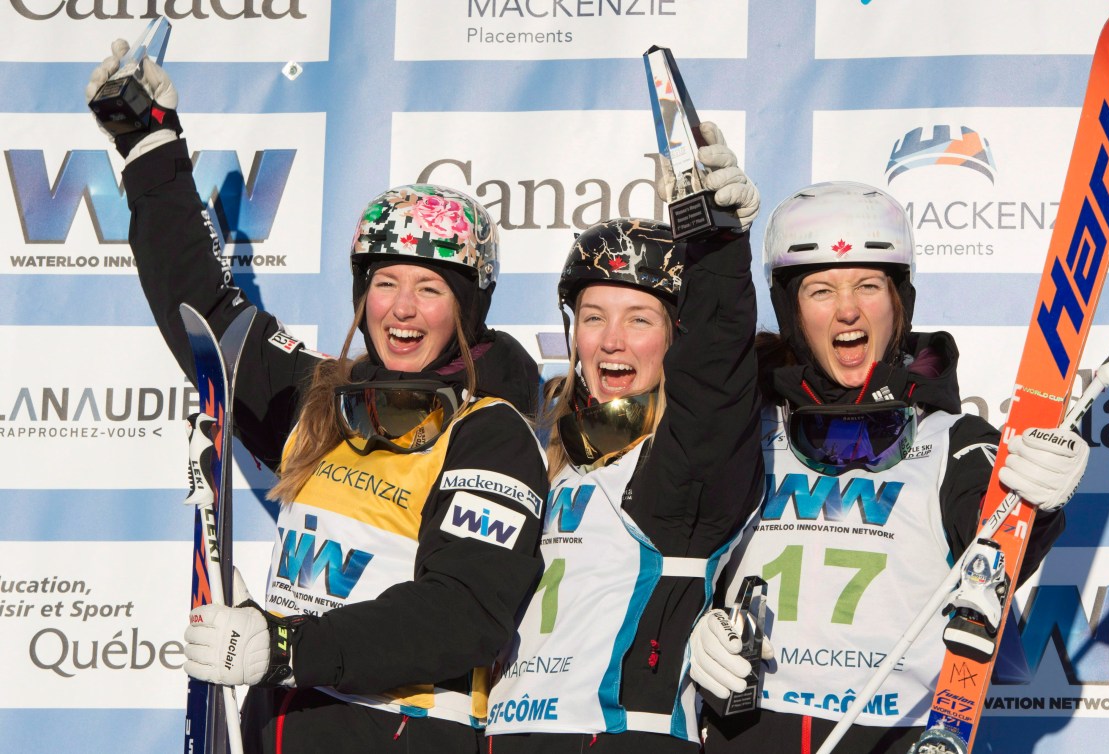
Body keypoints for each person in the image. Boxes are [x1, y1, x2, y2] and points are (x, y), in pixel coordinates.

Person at [86, 40, 548, 753]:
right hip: (286, 731)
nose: (400, 309)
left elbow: (466, 613)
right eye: (384, 284)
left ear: (467, 311)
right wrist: (148, 146)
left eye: (429, 290)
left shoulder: (492, 434)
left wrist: (287, 644)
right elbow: (209, 316)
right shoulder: (326, 403)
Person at [688, 182, 1088, 753]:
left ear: (899, 301)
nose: (848, 309)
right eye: (821, 289)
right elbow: (672, 550)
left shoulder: (954, 439)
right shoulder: (746, 431)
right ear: (791, 310)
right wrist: (689, 628)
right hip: (743, 734)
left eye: (868, 285)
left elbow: (995, 544)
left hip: (892, 736)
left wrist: (1038, 501)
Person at [485, 124, 764, 753]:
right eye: (593, 318)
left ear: (674, 337)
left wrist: (714, 244)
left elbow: (716, 376)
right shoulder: (540, 453)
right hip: (508, 735)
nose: (611, 340)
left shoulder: (684, 469)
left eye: (639, 319)